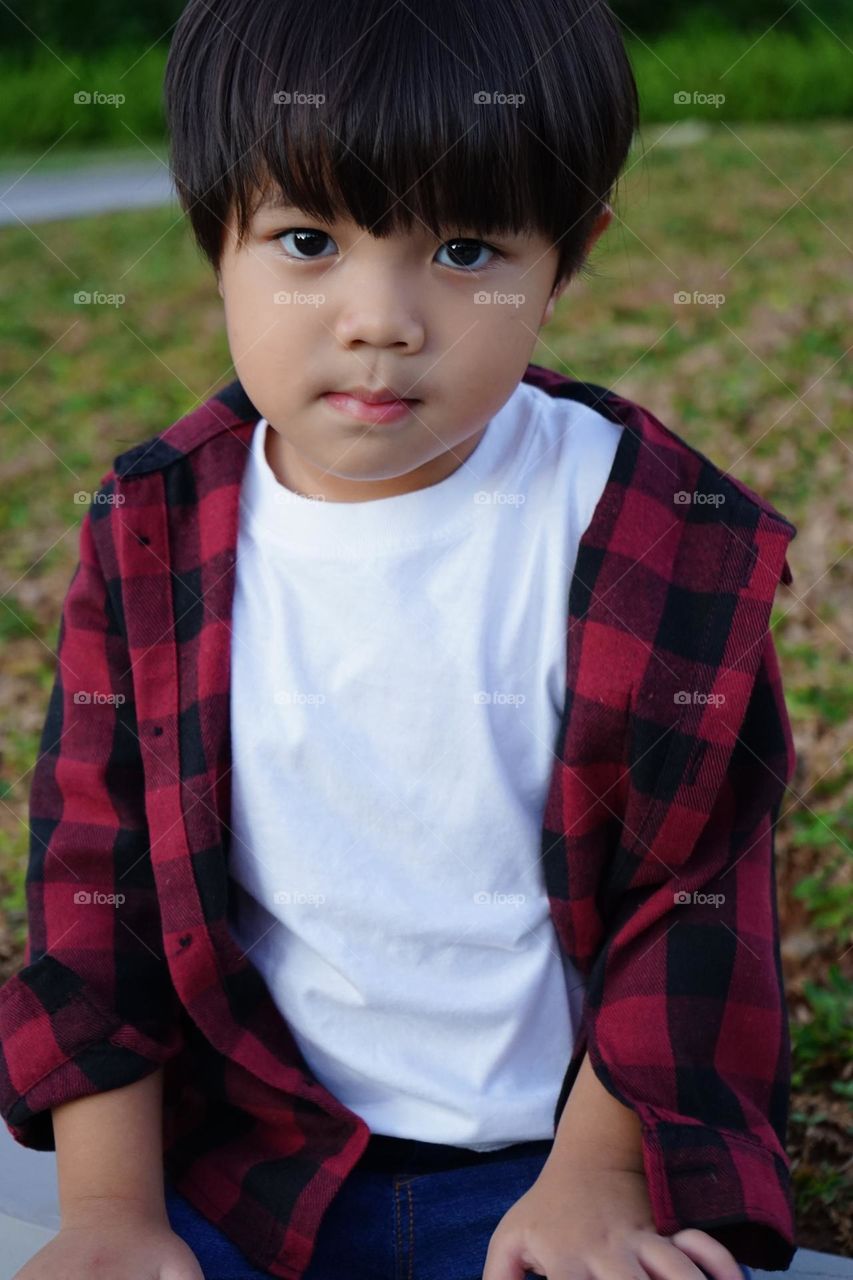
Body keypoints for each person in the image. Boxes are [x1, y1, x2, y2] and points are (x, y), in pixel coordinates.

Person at [0, 1, 798, 1278]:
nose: (382, 317)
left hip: (556, 1161)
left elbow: (696, 895)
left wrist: (597, 1175)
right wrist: (109, 1214)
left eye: (468, 247)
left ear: (567, 256)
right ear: (216, 237)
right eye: (307, 240)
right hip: (246, 1160)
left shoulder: (654, 532)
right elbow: (99, 888)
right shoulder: (150, 532)